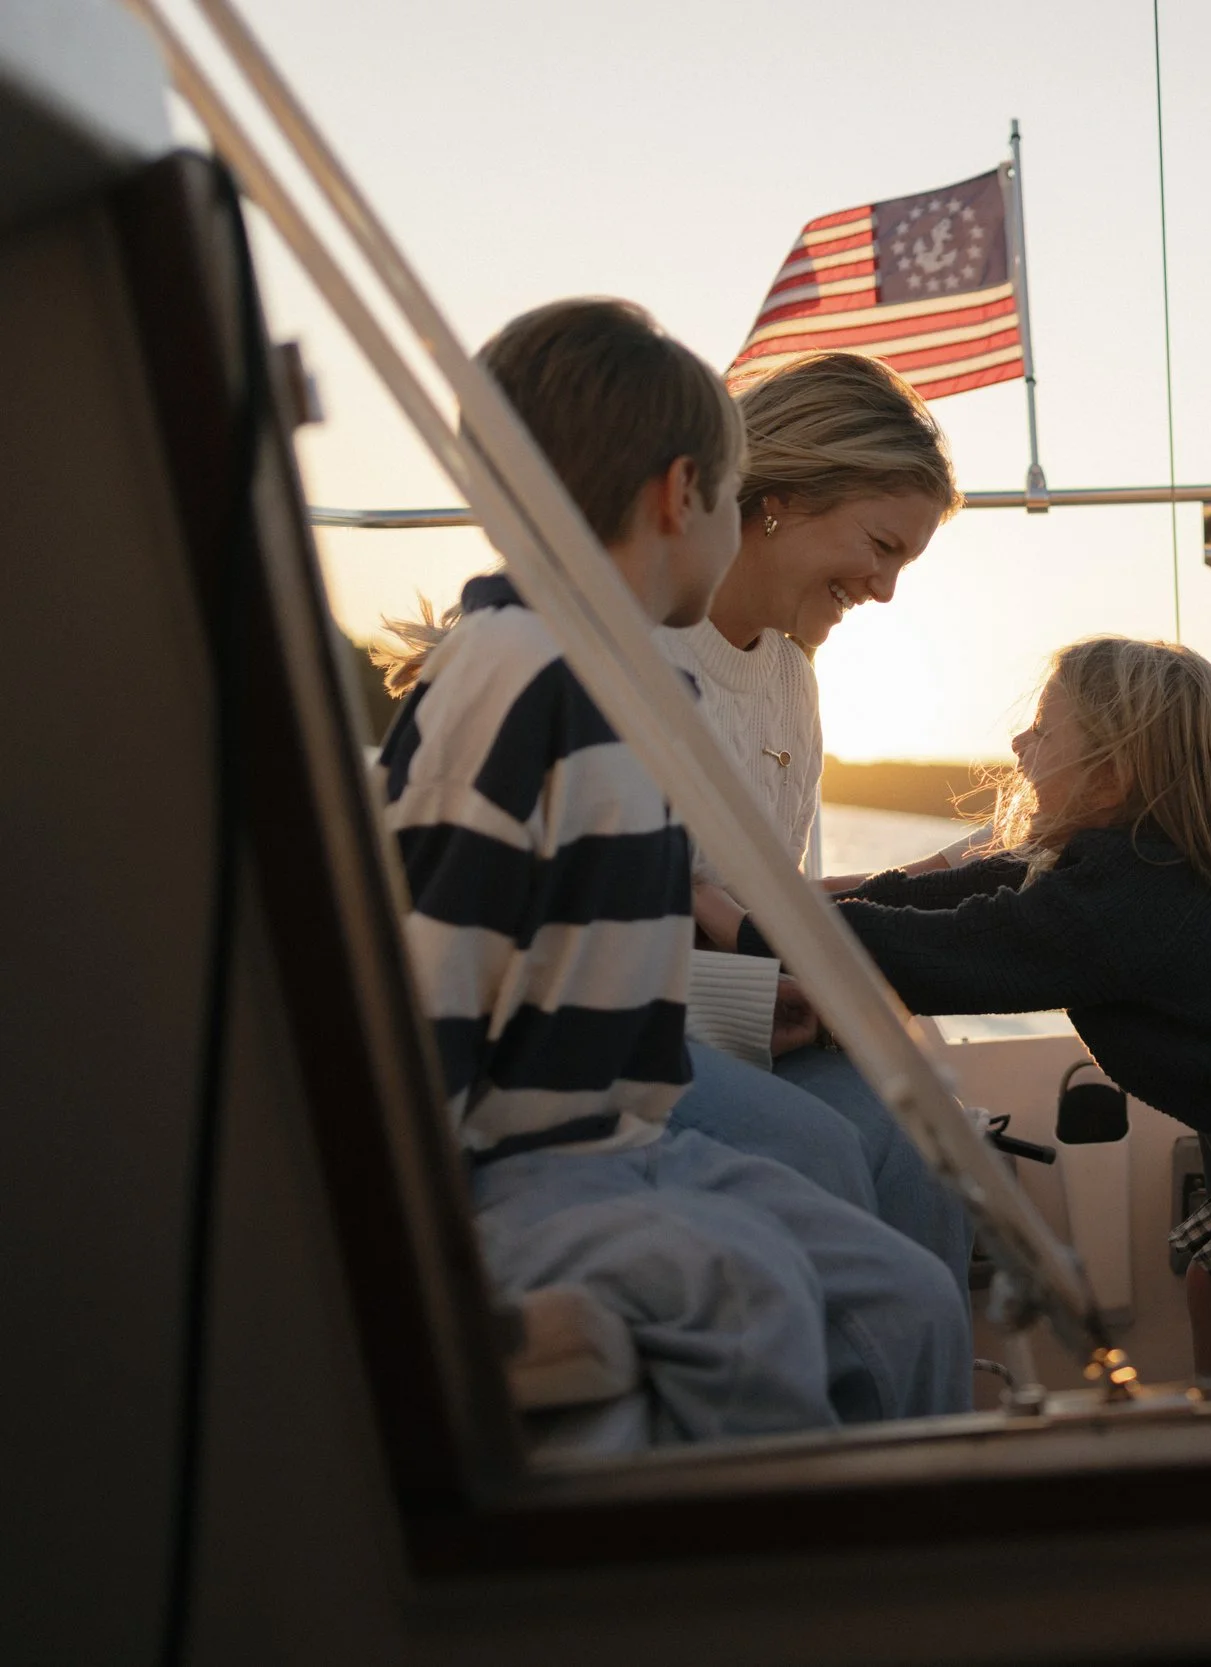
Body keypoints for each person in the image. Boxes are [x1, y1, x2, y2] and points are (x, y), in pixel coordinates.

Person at [374, 298, 970, 1443]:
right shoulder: (538, 683)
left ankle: (928, 1535)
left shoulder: (631, 685)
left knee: (914, 1297)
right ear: (683, 495)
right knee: (757, 1292)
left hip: (615, 1119)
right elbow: (434, 973)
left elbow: (640, 938)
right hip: (526, 1159)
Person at [709, 638, 1211, 1389]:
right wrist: (771, 900)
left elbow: (924, 950)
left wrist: (715, 910)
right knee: (1208, 1278)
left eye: (1045, 729)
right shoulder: (1119, 864)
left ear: (1111, 776)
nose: (1020, 742)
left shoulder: (1126, 903)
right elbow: (916, 902)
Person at [653, 351, 971, 1282]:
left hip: (731, 1015)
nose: (884, 591)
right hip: (632, 1024)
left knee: (931, 1126)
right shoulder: (637, 642)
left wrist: (927, 882)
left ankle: (932, 1414)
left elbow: (751, 891)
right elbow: (627, 914)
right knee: (823, 1147)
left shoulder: (790, 674)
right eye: (882, 547)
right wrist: (762, 1002)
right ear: (781, 496)